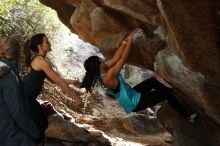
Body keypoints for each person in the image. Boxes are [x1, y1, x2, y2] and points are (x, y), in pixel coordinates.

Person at [80, 31, 197, 122]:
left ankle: (170, 95)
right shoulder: (108, 76)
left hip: (131, 94)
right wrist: (131, 38)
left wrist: (124, 42)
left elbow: (115, 58)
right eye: (100, 59)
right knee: (166, 94)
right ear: (98, 64)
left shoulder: (103, 71)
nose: (102, 58)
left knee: (152, 82)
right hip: (135, 103)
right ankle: (187, 116)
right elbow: (122, 59)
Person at [22, 33, 83, 141]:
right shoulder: (41, 61)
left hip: (27, 98)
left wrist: (72, 81)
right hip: (26, 99)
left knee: (41, 123)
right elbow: (59, 82)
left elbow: (56, 80)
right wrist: (76, 98)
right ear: (39, 46)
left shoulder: (39, 60)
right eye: (47, 42)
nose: (50, 43)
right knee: (41, 125)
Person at [0, 36, 42, 146]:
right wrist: (36, 135)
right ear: (17, 54)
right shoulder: (8, 75)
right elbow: (18, 112)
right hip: (9, 134)